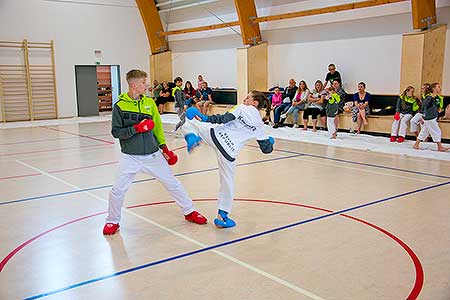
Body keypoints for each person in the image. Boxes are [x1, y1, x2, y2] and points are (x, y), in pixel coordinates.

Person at [103, 69, 207, 235]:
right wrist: (136, 128)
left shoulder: (149, 103)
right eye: (143, 82)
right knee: (118, 190)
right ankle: (112, 221)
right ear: (133, 84)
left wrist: (164, 148)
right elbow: (116, 132)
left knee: (173, 184)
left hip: (153, 155)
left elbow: (157, 127)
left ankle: (189, 211)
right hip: (130, 156)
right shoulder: (119, 106)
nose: (146, 85)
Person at [183, 91, 274, 228]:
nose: (244, 99)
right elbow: (266, 150)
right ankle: (222, 216)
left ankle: (192, 136)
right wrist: (270, 142)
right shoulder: (260, 126)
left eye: (247, 97)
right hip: (229, 152)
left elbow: (225, 118)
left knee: (190, 121)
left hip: (215, 136)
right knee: (228, 182)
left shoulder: (242, 108)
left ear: (254, 103)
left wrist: (205, 118)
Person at [413, 83, 449, 152]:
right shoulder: (429, 97)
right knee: (437, 131)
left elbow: (436, 106)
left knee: (424, 132)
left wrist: (438, 110)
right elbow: (424, 105)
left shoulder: (436, 97)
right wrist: (431, 99)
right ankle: (439, 147)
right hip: (430, 117)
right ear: (433, 88)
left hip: (432, 116)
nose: (440, 88)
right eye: (438, 87)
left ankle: (416, 144)